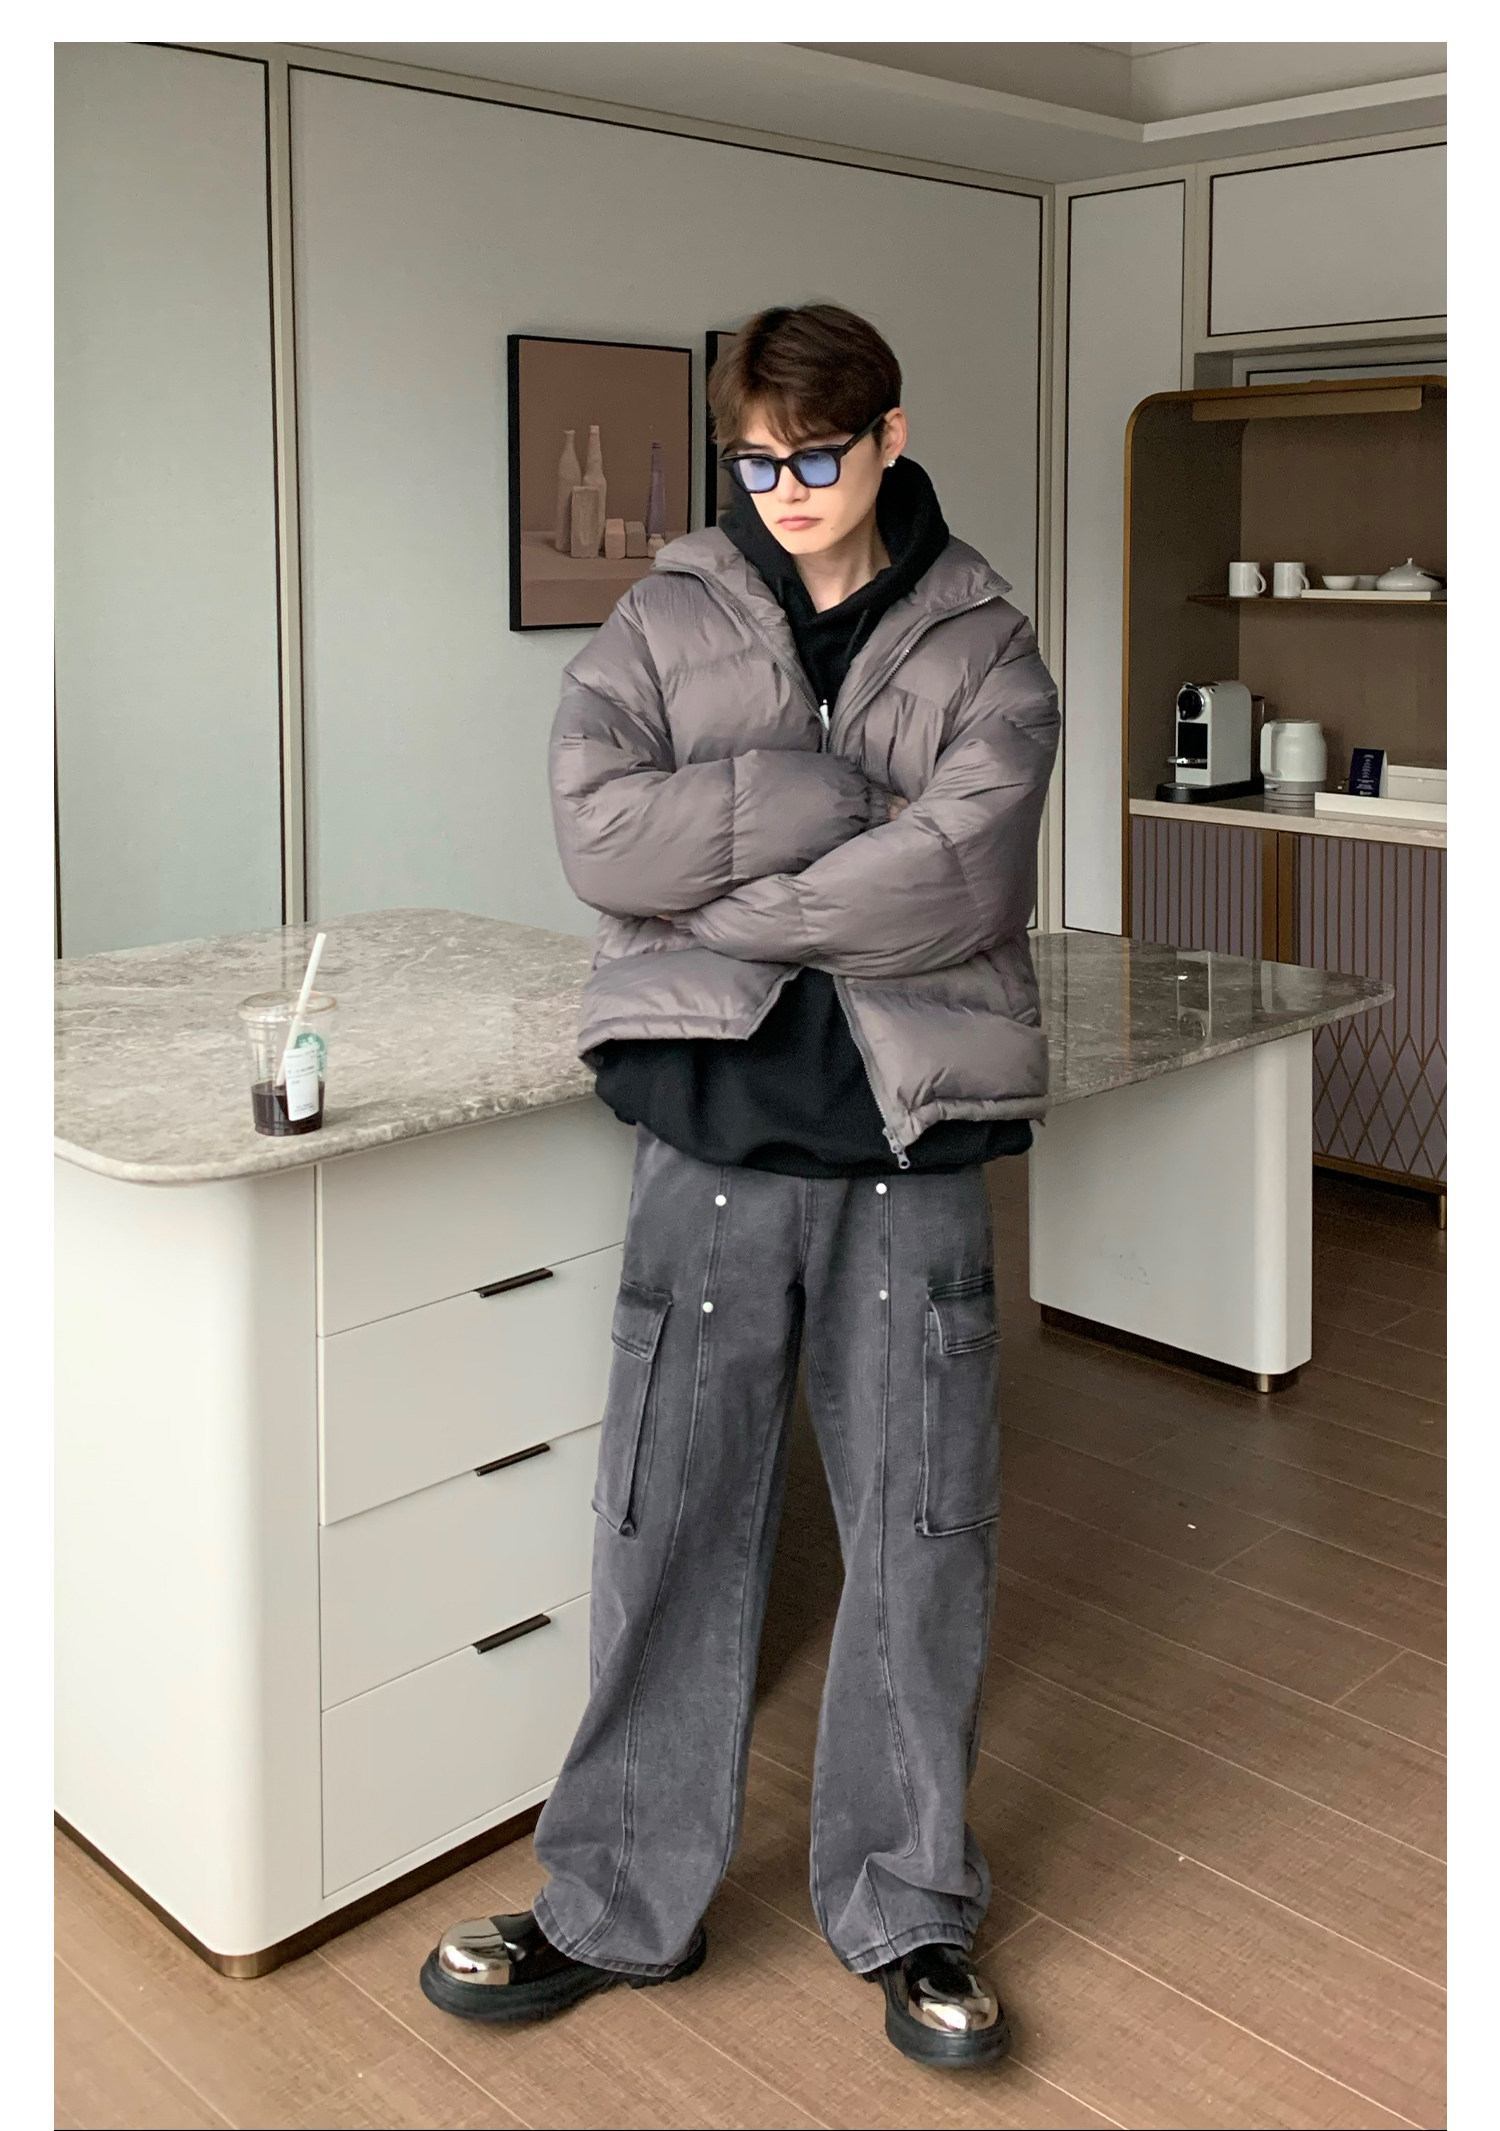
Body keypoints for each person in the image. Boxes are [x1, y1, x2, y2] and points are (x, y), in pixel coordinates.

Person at [422, 303, 1060, 2069]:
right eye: (758, 459)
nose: (786, 488)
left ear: (889, 436)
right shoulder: (660, 618)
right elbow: (595, 830)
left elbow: (963, 879)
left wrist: (713, 910)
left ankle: (911, 1905)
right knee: (665, 1518)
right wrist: (810, 800)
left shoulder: (989, 639)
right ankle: (615, 1900)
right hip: (705, 1140)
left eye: (819, 455)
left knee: (922, 1533)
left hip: (909, 1146)